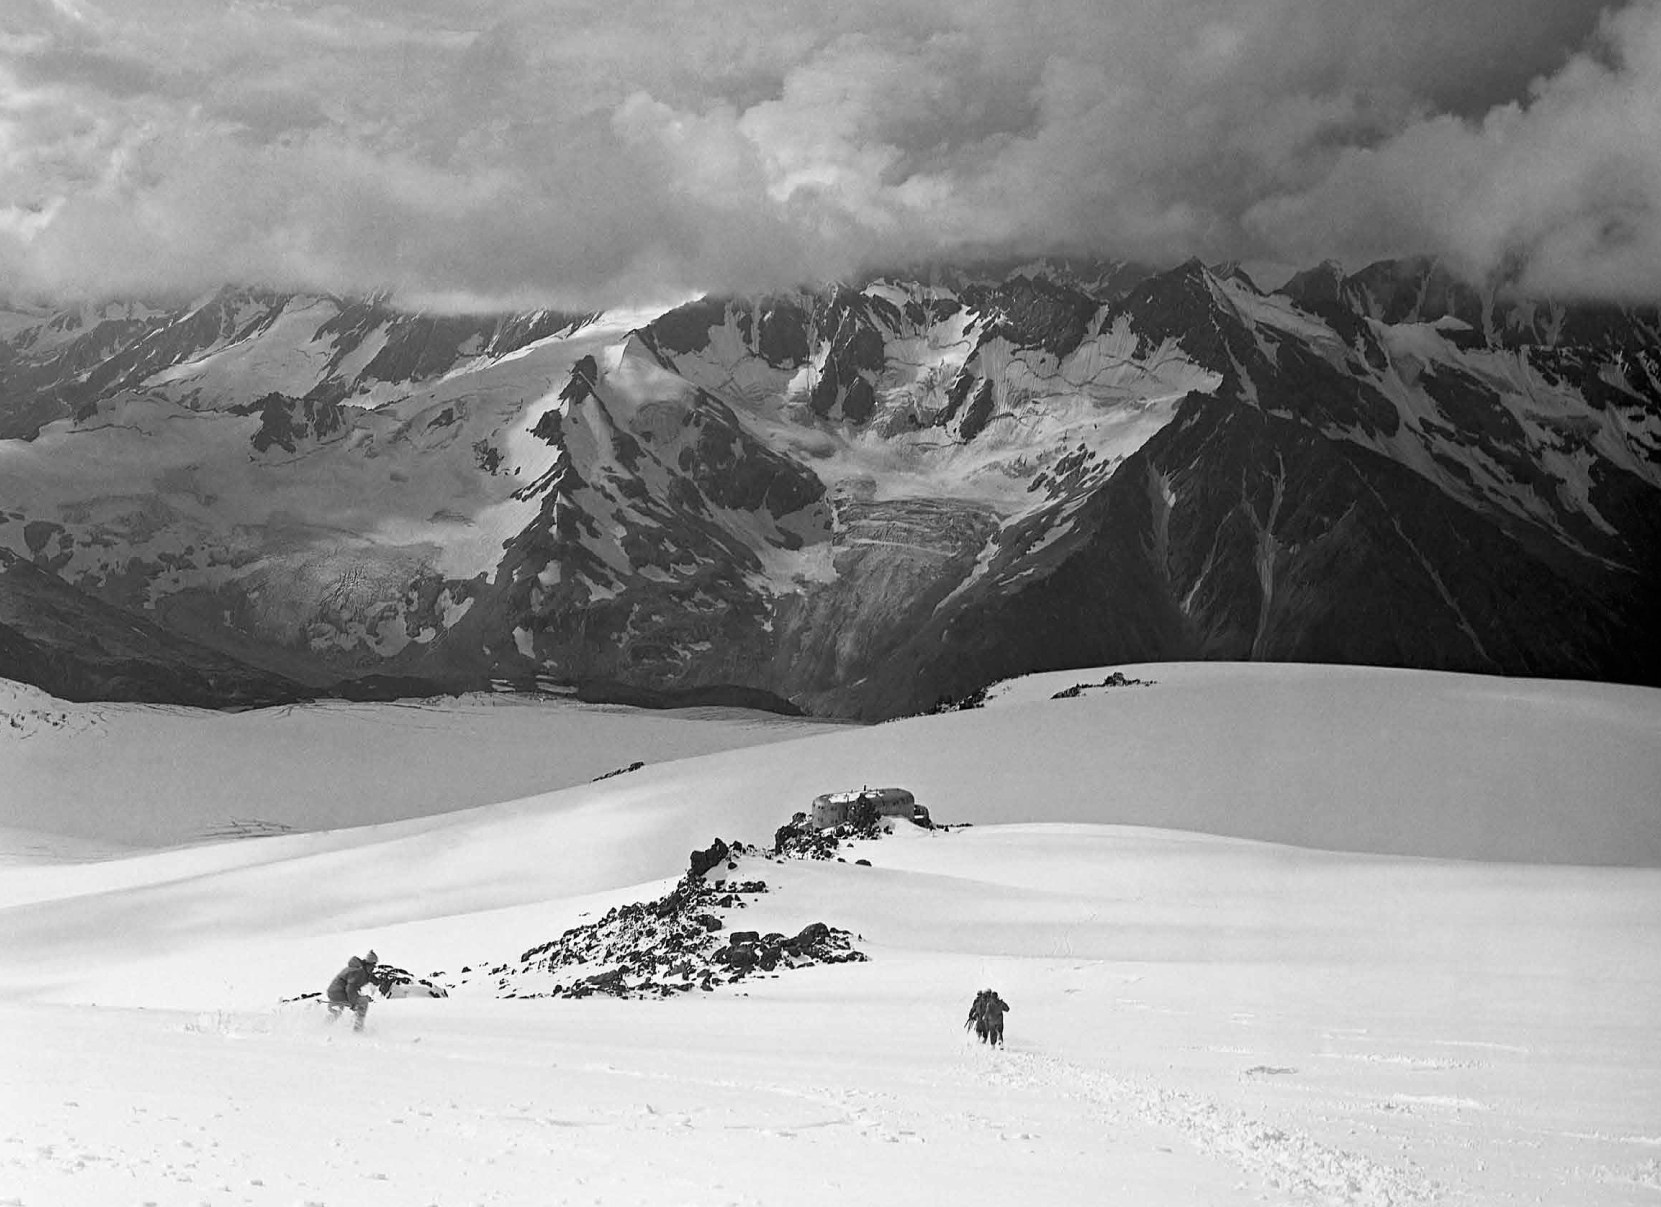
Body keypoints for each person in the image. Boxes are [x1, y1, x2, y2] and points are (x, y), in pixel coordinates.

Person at [326, 949, 379, 1032]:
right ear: (368, 964)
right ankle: (358, 1029)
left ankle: (323, 1025)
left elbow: (353, 986)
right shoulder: (358, 971)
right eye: (373, 965)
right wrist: (354, 1003)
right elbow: (350, 989)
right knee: (363, 1002)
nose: (373, 968)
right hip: (339, 993)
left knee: (337, 1011)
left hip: (333, 992)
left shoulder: (357, 969)